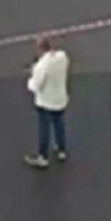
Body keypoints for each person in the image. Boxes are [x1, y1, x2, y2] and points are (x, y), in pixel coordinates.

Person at [24, 36, 70, 168]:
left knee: (44, 128)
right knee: (59, 123)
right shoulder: (62, 57)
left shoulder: (41, 66)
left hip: (46, 102)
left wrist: (31, 78)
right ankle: (61, 150)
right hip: (60, 98)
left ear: (39, 50)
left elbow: (35, 86)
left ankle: (43, 157)